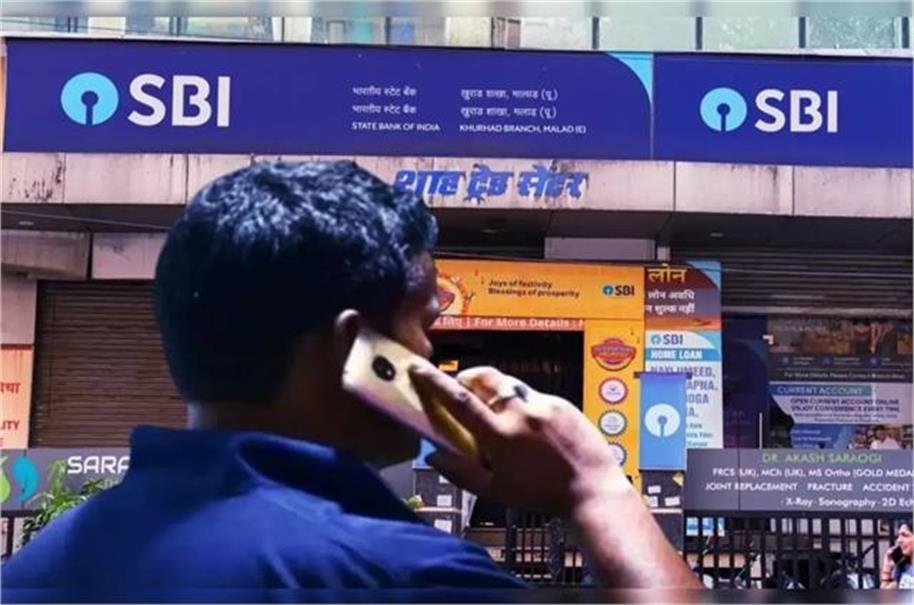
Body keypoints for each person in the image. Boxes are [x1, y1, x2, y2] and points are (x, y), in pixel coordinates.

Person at [2, 162, 697, 602]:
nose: (431, 355)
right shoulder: (403, 574)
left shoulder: (41, 564)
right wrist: (594, 486)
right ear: (353, 347)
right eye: (424, 325)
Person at [881, 521, 913, 589]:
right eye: (898, 536)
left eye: (905, 535)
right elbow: (885, 592)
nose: (899, 540)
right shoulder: (903, 566)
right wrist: (887, 566)